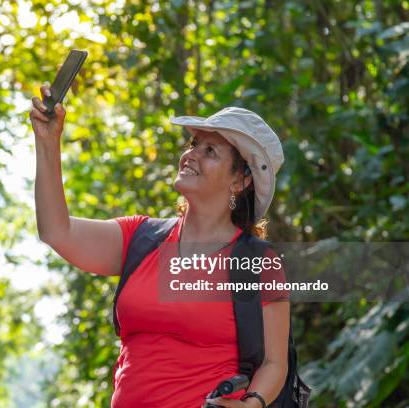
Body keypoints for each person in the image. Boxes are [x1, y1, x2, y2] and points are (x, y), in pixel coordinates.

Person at [29, 84, 289, 408]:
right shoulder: (140, 238)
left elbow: (274, 363)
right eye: (195, 143)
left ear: (240, 180)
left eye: (210, 151)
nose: (192, 154)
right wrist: (47, 141)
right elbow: (57, 231)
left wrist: (253, 403)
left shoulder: (258, 261)